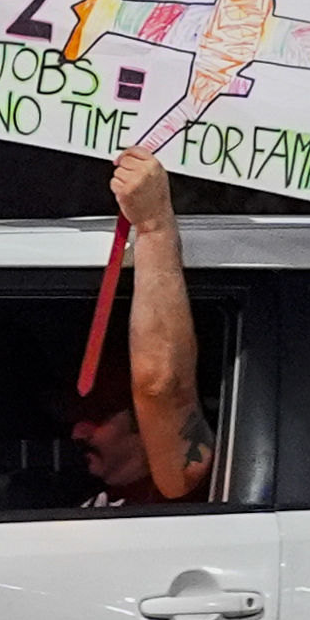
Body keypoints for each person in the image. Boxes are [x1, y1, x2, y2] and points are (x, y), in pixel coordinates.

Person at [78, 148, 213, 507]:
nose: (79, 431)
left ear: (143, 424)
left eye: (100, 415)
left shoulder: (177, 487)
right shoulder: (42, 489)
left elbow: (161, 385)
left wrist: (154, 227)